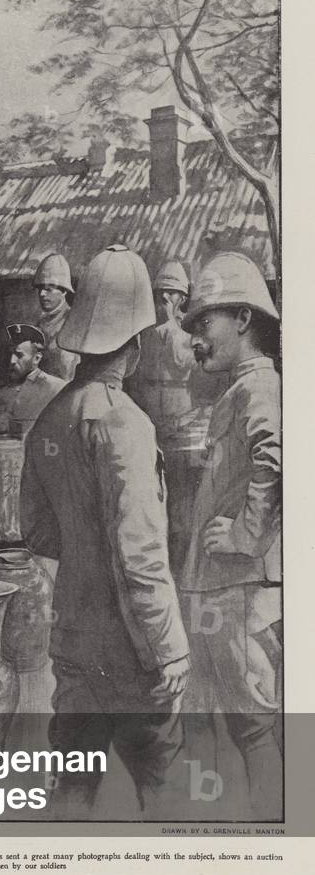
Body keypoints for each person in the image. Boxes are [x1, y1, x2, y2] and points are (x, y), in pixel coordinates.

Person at [20, 244, 190, 815]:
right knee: (163, 795)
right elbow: (139, 553)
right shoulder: (128, 424)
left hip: (74, 647)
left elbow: (39, 535)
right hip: (134, 657)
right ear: (136, 343)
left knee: (72, 788)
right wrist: (168, 649)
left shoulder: (50, 418)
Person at [178, 251, 282, 819]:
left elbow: (277, 461)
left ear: (243, 319)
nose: (195, 338)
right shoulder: (239, 390)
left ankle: (273, 842)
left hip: (239, 587)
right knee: (220, 718)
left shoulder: (260, 389)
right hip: (219, 589)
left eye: (205, 323)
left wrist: (245, 535)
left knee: (252, 725)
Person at [128, 260, 195, 437]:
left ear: (183, 298)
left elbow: (183, 362)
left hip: (182, 423)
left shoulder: (190, 328)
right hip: (146, 422)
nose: (164, 297)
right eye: (160, 292)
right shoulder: (143, 329)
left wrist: (170, 323)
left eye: (171, 292)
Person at [0, 324, 65, 436]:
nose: (12, 360)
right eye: (10, 354)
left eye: (19, 355)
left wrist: (12, 427)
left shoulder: (56, 389)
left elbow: (58, 429)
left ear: (36, 358)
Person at [32, 253, 78, 382]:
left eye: (48, 289)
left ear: (63, 291)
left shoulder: (74, 322)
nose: (42, 294)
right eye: (40, 288)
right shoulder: (40, 324)